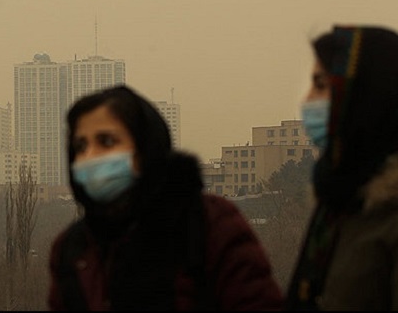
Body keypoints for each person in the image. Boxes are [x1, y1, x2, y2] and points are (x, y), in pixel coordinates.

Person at [48, 84, 284, 311]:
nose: (91, 155)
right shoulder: (72, 248)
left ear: (145, 149)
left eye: (107, 141)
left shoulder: (209, 223)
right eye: (80, 146)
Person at [286, 25, 398, 310]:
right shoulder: (336, 203)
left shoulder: (387, 218)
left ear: (366, 97)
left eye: (321, 85)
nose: (307, 100)